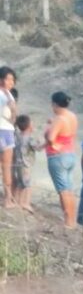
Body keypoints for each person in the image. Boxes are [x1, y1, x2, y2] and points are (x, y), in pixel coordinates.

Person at [44, 91, 78, 228]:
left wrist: (52, 143)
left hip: (58, 156)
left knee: (63, 190)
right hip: (70, 154)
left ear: (55, 104)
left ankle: (68, 221)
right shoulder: (72, 116)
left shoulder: (59, 118)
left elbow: (51, 138)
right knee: (69, 189)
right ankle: (72, 220)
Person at [0, 67, 18, 208]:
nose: (11, 82)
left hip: (7, 130)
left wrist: (12, 110)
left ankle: (8, 198)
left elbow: (13, 118)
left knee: (6, 166)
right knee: (6, 166)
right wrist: (12, 110)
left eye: (12, 79)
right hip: (4, 131)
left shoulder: (9, 95)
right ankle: (8, 199)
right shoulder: (3, 95)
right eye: (8, 79)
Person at [12, 114, 36, 212]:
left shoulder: (17, 136)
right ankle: (25, 203)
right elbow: (36, 147)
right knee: (27, 184)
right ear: (29, 126)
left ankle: (16, 200)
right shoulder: (30, 138)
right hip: (25, 164)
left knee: (19, 183)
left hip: (17, 163)